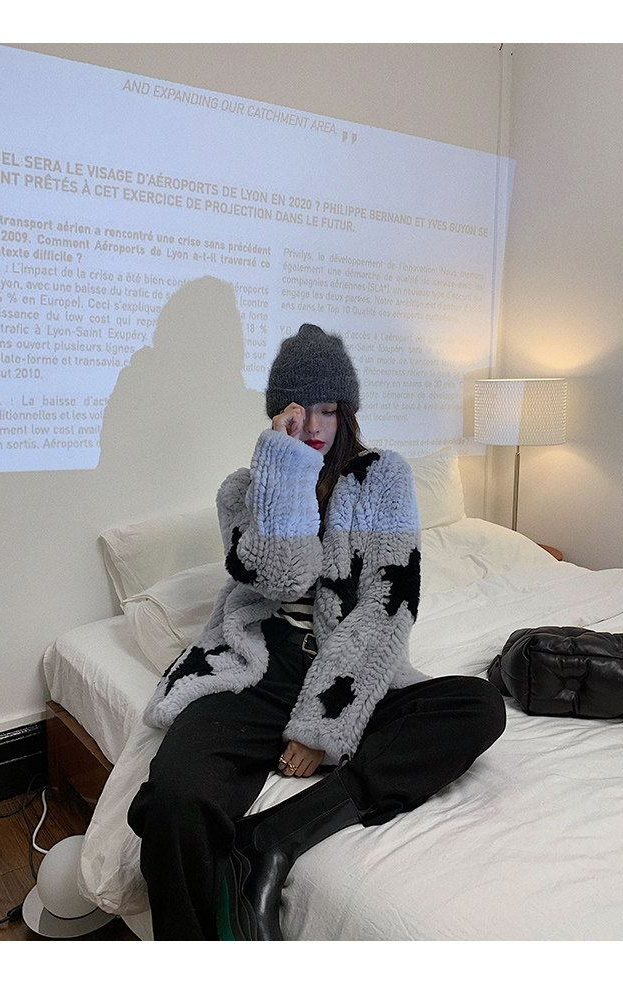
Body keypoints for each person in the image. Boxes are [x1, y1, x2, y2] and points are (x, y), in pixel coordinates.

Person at [127, 323, 506, 941]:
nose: (313, 426)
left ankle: (273, 837)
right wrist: (286, 473)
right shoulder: (243, 492)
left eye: (327, 410)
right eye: (297, 412)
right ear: (277, 417)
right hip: (260, 665)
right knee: (175, 798)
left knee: (478, 706)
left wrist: (321, 727)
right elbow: (283, 578)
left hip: (351, 669)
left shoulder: (382, 477)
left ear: (346, 413)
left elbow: (388, 605)